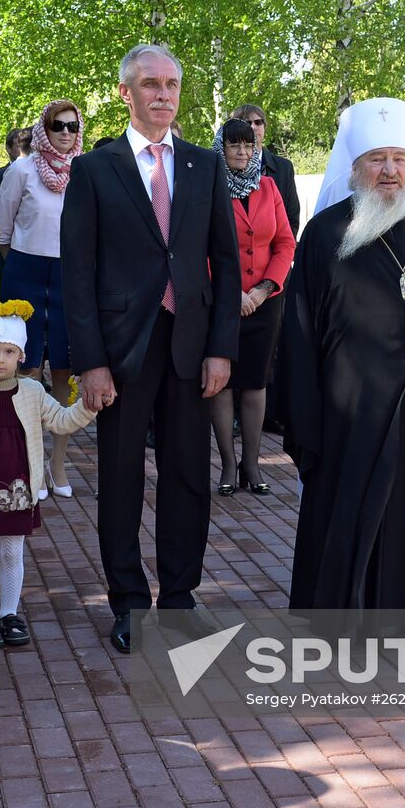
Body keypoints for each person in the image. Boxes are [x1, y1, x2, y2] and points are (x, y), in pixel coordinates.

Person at [61, 43, 241, 653]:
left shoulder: (203, 166)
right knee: (119, 478)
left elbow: (226, 263)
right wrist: (90, 361)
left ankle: (181, 600)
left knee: (188, 476)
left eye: (171, 85)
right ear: (125, 92)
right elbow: (76, 274)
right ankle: (130, 603)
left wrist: (222, 348)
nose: (163, 94)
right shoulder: (93, 169)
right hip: (121, 352)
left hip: (191, 348)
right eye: (150, 84)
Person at [283, 97, 405, 612]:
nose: (390, 171)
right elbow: (298, 331)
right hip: (347, 410)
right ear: (355, 168)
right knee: (345, 510)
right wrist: (306, 418)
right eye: (377, 159)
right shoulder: (325, 235)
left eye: (399, 158)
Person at [0, 301, 98, 648]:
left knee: (13, 550)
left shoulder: (32, 392)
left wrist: (86, 406)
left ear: (21, 355)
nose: (0, 359)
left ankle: (9, 612)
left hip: (19, 488)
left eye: (9, 351)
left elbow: (60, 421)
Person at [0, 100, 85, 496]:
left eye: (71, 126)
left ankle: (57, 466)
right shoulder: (22, 169)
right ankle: (26, 465)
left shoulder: (85, 171)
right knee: (25, 370)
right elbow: (3, 231)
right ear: (42, 129)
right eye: (56, 126)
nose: (64, 133)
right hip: (26, 273)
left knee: (64, 370)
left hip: (70, 276)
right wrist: (17, 270)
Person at [208, 118, 295, 495]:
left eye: (248, 146)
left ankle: (252, 464)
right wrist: (231, 295)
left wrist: (263, 289)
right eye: (234, 146)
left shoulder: (270, 186)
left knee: (255, 384)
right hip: (223, 304)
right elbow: (199, 248)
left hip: (265, 302)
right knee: (223, 383)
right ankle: (228, 465)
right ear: (221, 147)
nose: (242, 152)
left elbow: (285, 243)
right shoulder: (209, 186)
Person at [231, 103, 299, 233]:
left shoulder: (284, 167)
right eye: (247, 122)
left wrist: (283, 251)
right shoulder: (222, 168)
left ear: (264, 127)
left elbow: (292, 215)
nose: (253, 127)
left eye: (258, 122)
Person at [0, 128, 29, 271]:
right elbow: (2, 219)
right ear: (8, 149)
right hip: (10, 253)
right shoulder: (0, 176)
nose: (25, 150)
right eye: (20, 145)